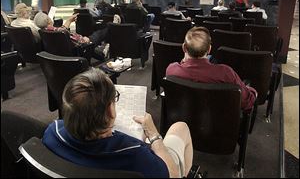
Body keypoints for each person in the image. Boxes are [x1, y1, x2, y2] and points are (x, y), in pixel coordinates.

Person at [42, 68, 193, 178]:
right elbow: (171, 174)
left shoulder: (51, 133)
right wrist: (153, 135)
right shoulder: (135, 155)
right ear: (110, 111)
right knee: (180, 127)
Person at [166, 26, 257, 111]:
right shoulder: (226, 73)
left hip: (184, 118)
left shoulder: (171, 70)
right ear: (209, 49)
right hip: (217, 122)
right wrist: (253, 92)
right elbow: (246, 102)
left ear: (184, 48)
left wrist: (183, 62)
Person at [34, 11, 108, 47]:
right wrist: (85, 39)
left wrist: (69, 20)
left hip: (72, 45)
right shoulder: (59, 32)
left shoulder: (45, 30)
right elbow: (68, 35)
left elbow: (62, 29)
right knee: (101, 32)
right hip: (83, 44)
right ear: (48, 20)